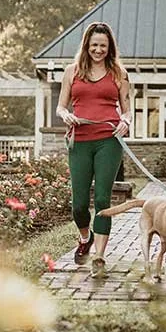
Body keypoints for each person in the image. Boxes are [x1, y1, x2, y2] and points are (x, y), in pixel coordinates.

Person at [55, 22, 131, 275]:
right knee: (78, 204)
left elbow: (127, 110)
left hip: (108, 140)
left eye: (103, 46)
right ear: (86, 45)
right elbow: (61, 106)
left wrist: (126, 122)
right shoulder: (72, 71)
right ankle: (85, 238)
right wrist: (66, 116)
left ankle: (99, 256)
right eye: (94, 45)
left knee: (101, 199)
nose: (98, 50)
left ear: (110, 48)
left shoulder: (119, 73)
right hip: (80, 141)